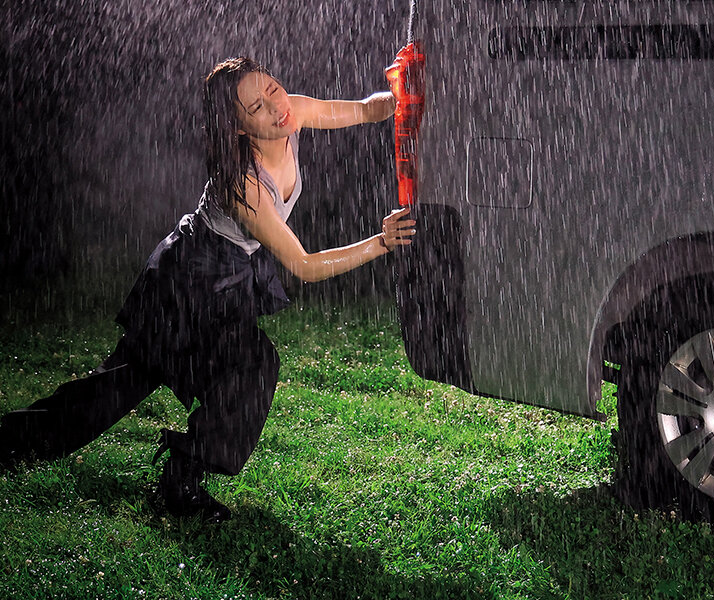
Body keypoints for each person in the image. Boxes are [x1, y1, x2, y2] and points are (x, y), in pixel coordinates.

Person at [0, 56, 415, 522]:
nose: (275, 107)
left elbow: (365, 109)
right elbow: (304, 266)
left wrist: (403, 95)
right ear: (237, 127)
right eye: (255, 107)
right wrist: (382, 242)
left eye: (273, 89)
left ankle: (185, 473)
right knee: (112, 392)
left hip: (224, 282)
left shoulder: (289, 113)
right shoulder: (243, 184)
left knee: (251, 363)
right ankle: (13, 442)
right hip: (183, 289)